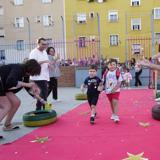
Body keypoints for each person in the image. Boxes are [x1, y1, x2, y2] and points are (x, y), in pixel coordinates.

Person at [0, 59, 41, 139]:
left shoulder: (25, 73)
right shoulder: (18, 68)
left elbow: (26, 86)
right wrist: (28, 84)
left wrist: (35, 94)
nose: (32, 74)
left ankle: (7, 125)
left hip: (4, 86)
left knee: (16, 102)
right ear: (30, 69)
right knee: (6, 106)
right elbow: (11, 81)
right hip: (2, 84)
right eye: (33, 72)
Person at [29, 37, 50, 110]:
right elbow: (32, 64)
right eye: (43, 44)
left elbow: (46, 62)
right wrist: (44, 61)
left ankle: (39, 109)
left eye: (45, 44)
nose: (44, 46)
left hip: (44, 76)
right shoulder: (33, 52)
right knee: (43, 93)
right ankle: (45, 109)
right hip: (37, 77)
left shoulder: (44, 52)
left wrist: (49, 65)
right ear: (38, 44)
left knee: (42, 94)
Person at [102, 59, 123, 123]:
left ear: (116, 65)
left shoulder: (117, 72)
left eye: (114, 64)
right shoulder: (106, 73)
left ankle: (116, 116)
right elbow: (103, 81)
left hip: (116, 91)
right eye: (110, 65)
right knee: (111, 102)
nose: (112, 66)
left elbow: (119, 82)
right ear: (108, 66)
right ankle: (113, 113)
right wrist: (100, 87)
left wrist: (115, 89)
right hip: (108, 91)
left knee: (115, 102)